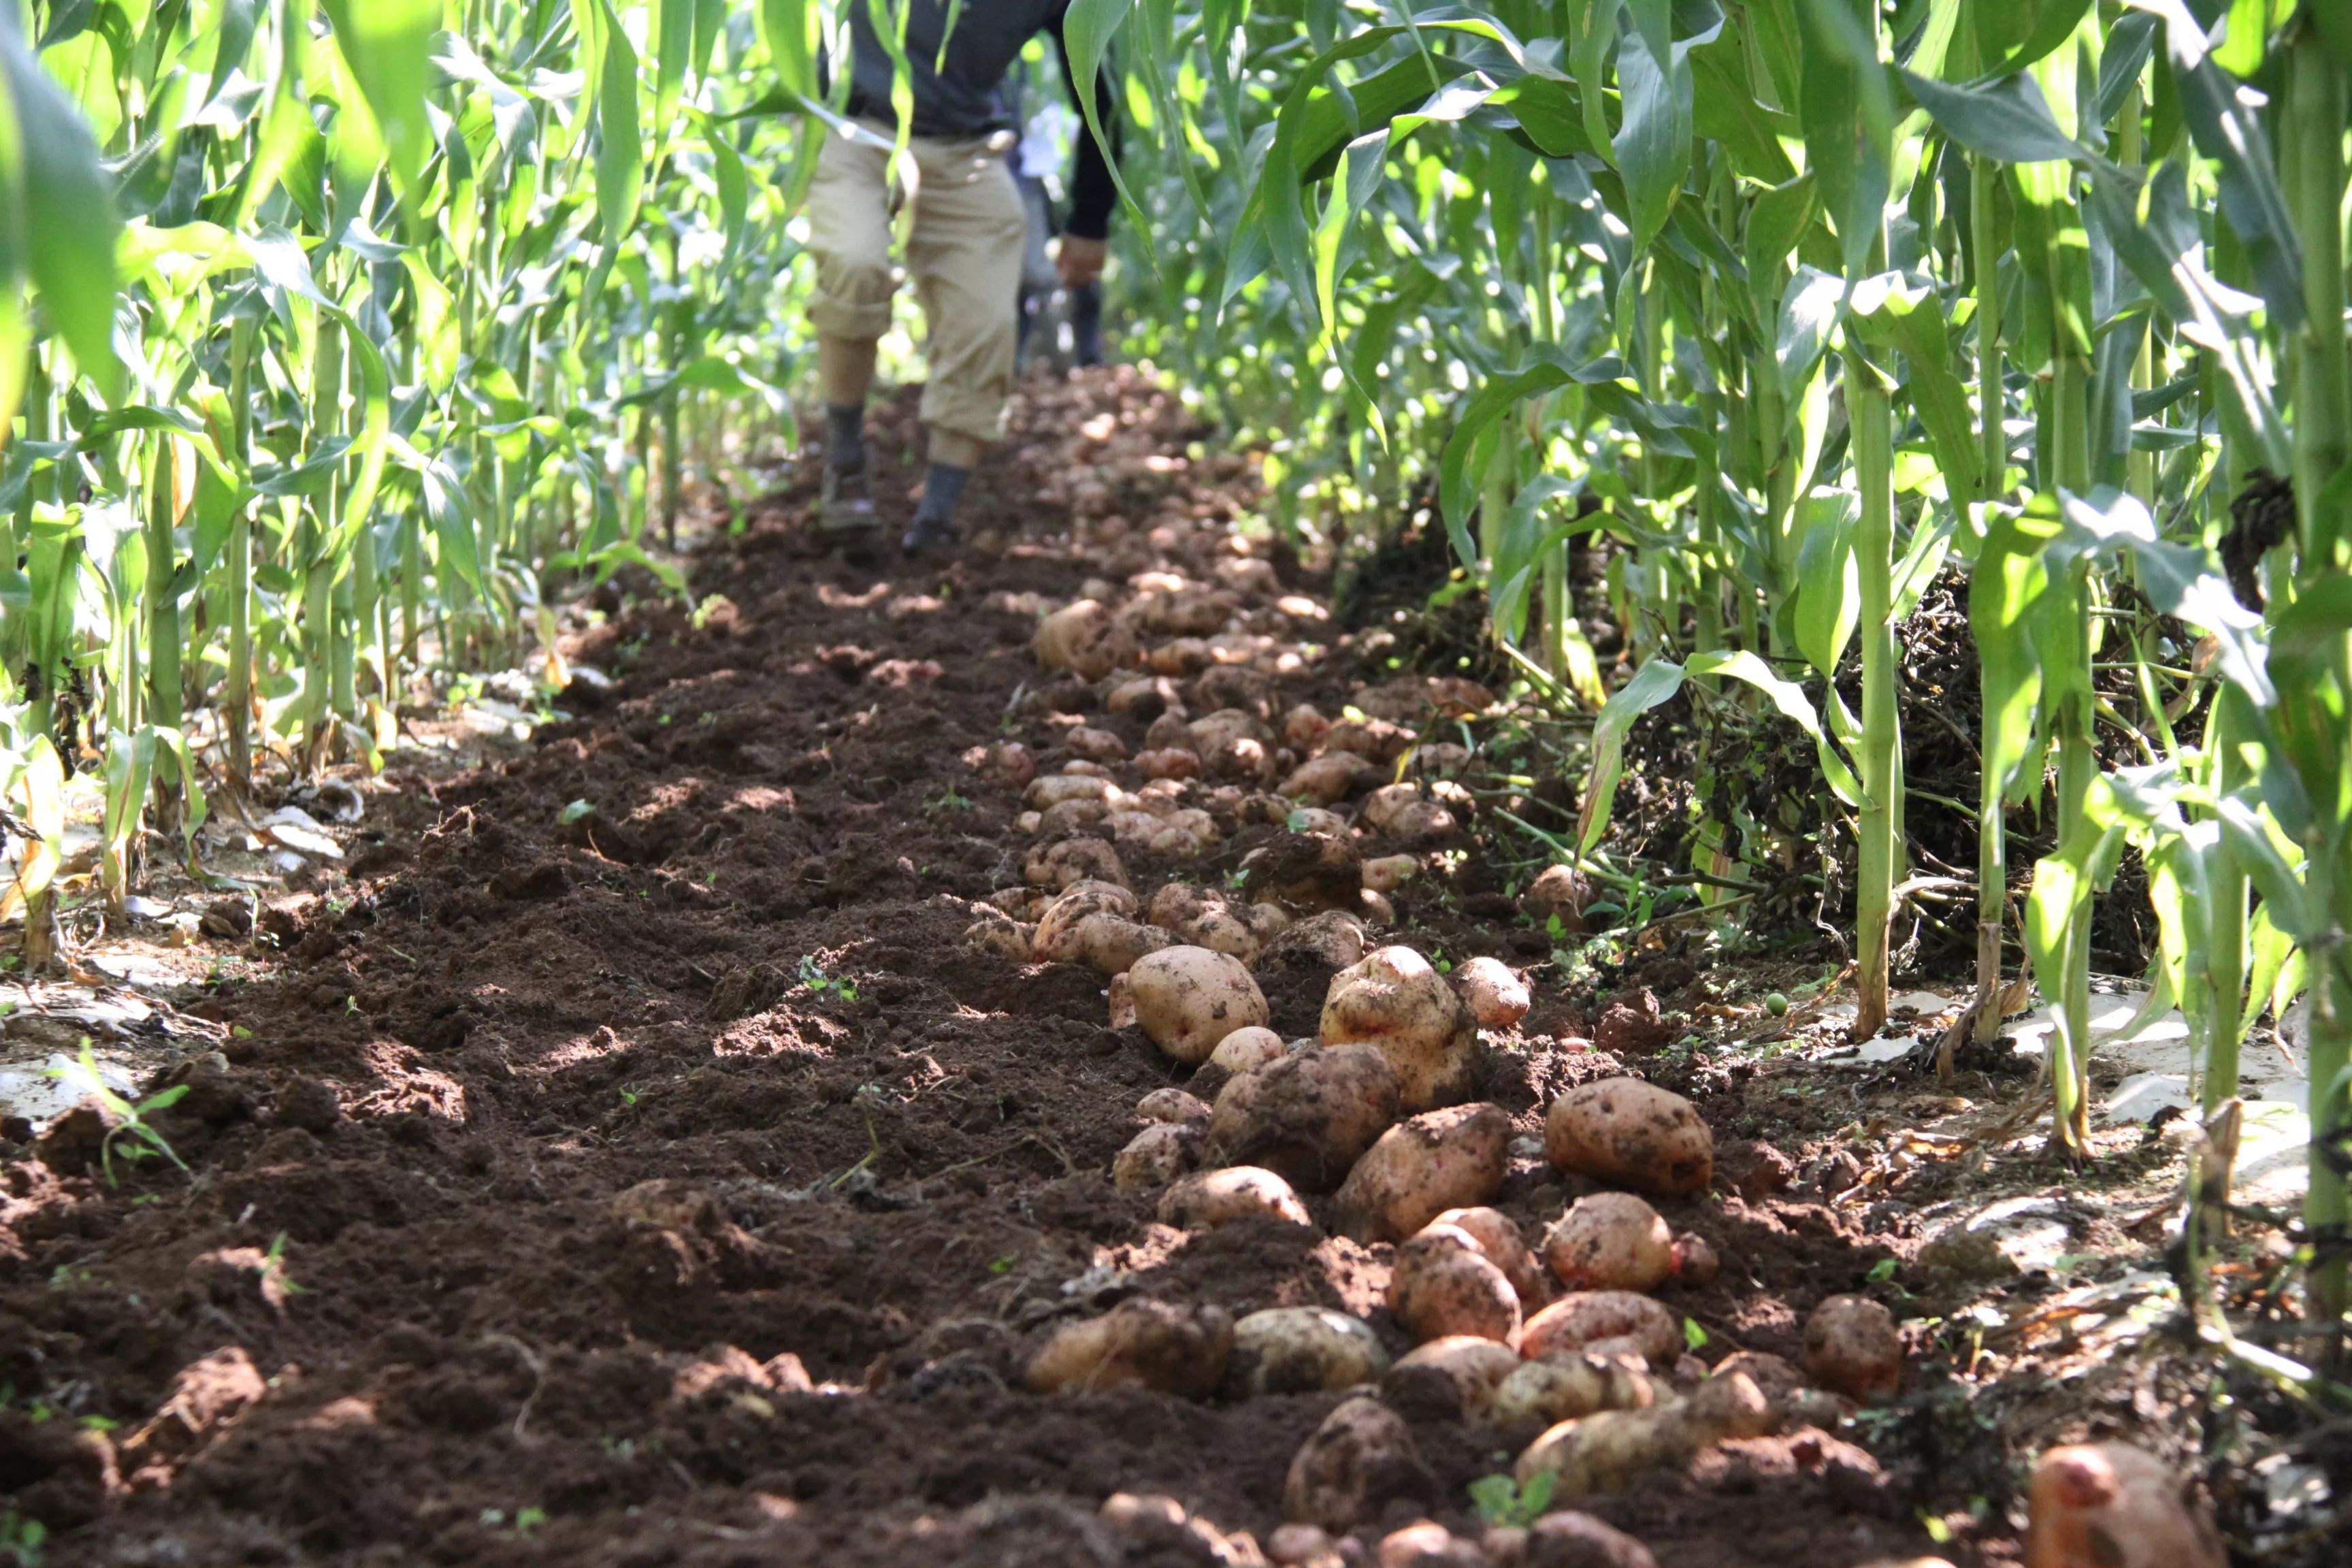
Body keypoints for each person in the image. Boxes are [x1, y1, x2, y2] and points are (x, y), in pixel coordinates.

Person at [808, 1, 1120, 555]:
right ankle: (846, 458)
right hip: (858, 130)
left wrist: (1090, 220)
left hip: (969, 150)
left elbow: (1100, 90)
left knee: (987, 330)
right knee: (855, 264)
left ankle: (936, 520)